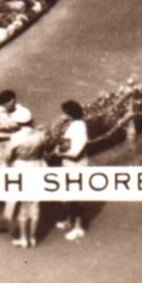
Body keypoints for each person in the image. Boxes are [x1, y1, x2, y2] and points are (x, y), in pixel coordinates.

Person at [6, 108, 49, 248]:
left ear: (18, 123)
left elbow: (8, 156)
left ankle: (24, 238)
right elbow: (44, 151)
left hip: (21, 168)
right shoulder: (40, 135)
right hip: (36, 167)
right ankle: (33, 238)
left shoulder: (15, 137)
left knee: (22, 207)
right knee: (35, 205)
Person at [58, 100, 90, 241]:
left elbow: (76, 151)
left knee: (75, 197)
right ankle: (70, 221)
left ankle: (77, 228)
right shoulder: (73, 125)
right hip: (69, 164)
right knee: (70, 196)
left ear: (69, 113)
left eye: (64, 112)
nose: (62, 115)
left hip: (75, 164)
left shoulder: (79, 127)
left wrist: (59, 154)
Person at [0, 89, 27, 168]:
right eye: (13, 102)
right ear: (6, 102)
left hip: (12, 148)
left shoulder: (9, 114)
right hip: (1, 148)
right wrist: (13, 136)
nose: (14, 105)